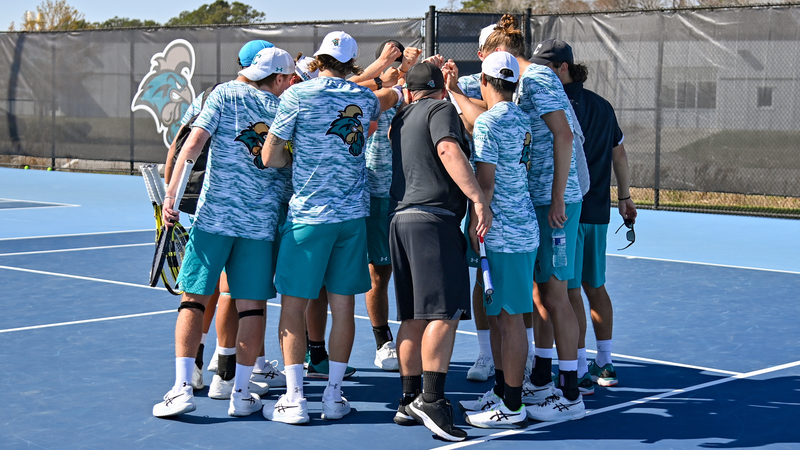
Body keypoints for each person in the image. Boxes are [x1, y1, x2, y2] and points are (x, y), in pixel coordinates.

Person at [260, 31, 396, 424]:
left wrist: (296, 159)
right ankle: (334, 397)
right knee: (343, 307)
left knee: (293, 307)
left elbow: (270, 156)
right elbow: (374, 114)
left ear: (318, 59)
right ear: (352, 63)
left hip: (307, 217)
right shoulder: (365, 98)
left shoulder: (296, 96)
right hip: (352, 216)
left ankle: (295, 398)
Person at [152, 46, 295, 418]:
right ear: (277, 77)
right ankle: (241, 394)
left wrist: (172, 195)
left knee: (194, 299)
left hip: (213, 218)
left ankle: (182, 388)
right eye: (286, 78)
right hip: (260, 224)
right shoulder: (284, 107)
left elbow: (192, 145)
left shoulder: (223, 93)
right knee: (251, 308)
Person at [388, 62, 492, 442]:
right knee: (443, 314)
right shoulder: (440, 109)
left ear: (410, 90)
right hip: (433, 219)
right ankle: (432, 401)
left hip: (400, 220)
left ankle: (409, 399)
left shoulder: (399, 118)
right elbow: (448, 149)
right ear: (438, 90)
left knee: (414, 315)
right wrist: (478, 198)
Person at [449, 51, 536, 429]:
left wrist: (475, 219)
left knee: (510, 318)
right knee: (502, 316)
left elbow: (485, 182)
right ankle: (503, 391)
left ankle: (513, 404)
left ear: (484, 83)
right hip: (520, 227)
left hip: (502, 232)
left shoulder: (487, 124)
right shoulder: (522, 119)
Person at [544, 40, 637, 390]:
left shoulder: (553, 107)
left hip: (567, 212)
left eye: (546, 67)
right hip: (597, 211)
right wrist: (624, 197)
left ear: (562, 68)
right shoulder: (603, 106)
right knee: (595, 287)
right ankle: (606, 363)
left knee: (569, 292)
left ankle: (579, 367)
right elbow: (620, 155)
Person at [519, 38, 586, 422]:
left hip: (554, 203)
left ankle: (570, 391)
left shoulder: (539, 77)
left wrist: (558, 197)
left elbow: (564, 135)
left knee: (557, 294)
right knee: (543, 292)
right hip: (543, 199)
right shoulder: (529, 81)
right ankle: (543, 376)